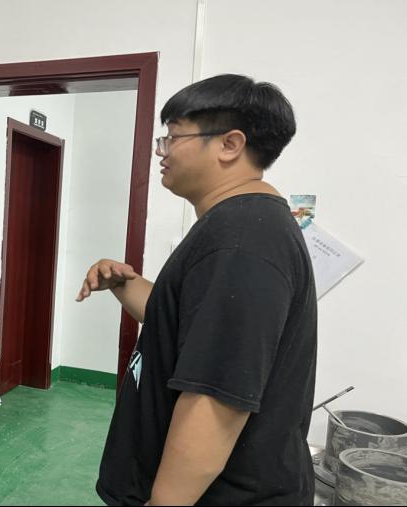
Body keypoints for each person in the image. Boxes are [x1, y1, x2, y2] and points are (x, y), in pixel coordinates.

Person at [77, 74, 317, 506]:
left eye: (173, 137)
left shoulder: (242, 238)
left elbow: (216, 398)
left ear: (230, 144)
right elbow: (192, 327)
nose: (162, 151)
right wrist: (124, 284)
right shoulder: (239, 225)